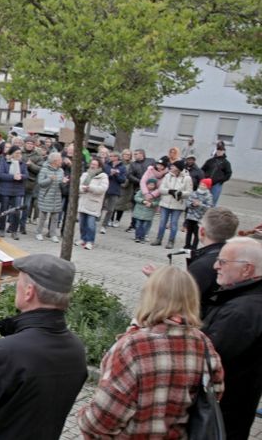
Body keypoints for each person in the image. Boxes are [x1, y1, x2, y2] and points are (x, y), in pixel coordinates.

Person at [0, 254, 88, 440]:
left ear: (29, 292)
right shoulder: (76, 350)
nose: (15, 289)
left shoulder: (9, 351)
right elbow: (27, 383)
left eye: (17, 283)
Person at [77, 266, 224, 438]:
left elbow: (103, 419)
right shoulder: (203, 343)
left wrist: (82, 416)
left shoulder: (134, 346)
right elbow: (215, 393)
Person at [202, 238, 262, 439]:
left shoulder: (240, 312)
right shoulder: (246, 299)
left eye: (223, 261)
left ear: (246, 270)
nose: (215, 266)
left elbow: (207, 359)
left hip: (223, 411)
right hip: (236, 405)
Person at [152, 161, 192, 249]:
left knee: (174, 223)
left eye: (173, 166)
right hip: (165, 203)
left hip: (178, 204)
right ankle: (159, 239)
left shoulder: (187, 178)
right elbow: (161, 189)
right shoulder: (167, 175)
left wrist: (180, 193)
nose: (171, 167)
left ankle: (171, 241)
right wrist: (169, 191)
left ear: (178, 168)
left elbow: (189, 192)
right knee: (162, 222)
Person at [77, 158, 109, 250]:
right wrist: (83, 188)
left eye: (95, 164)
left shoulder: (103, 176)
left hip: (94, 204)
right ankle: (83, 238)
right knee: (82, 223)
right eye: (92, 163)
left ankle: (90, 241)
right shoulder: (85, 174)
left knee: (91, 225)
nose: (93, 165)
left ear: (99, 166)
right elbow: (78, 185)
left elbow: (102, 189)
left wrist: (90, 188)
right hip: (83, 202)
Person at [0, 146, 27, 240]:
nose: (19, 155)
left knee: (16, 211)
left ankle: (14, 231)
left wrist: (21, 176)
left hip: (17, 190)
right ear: (12, 153)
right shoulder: (4, 162)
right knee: (4, 210)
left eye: (20, 153)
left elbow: (26, 175)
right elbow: (0, 174)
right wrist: (13, 177)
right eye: (17, 153)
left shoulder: (22, 164)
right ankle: (1, 228)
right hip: (5, 189)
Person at [35, 152, 65, 242]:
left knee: (55, 217)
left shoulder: (61, 171)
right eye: (60, 159)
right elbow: (40, 183)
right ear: (55, 161)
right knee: (42, 217)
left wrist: (64, 182)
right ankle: (39, 233)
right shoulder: (44, 169)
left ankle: (53, 234)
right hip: (46, 196)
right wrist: (50, 179)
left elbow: (61, 185)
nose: (61, 161)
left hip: (56, 197)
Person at [124, 149, 152, 232]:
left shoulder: (150, 161)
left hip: (149, 188)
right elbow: (129, 175)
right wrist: (140, 181)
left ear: (142, 154)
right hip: (137, 187)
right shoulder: (133, 164)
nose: (134, 155)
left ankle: (143, 227)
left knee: (147, 207)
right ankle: (133, 225)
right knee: (135, 207)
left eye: (136, 154)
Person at [99, 151, 127, 234]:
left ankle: (104, 225)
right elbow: (102, 176)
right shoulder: (107, 165)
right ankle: (96, 219)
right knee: (100, 206)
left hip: (115, 190)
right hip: (105, 188)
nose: (110, 157)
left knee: (110, 209)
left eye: (112, 156)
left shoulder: (122, 167)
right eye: (110, 156)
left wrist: (116, 174)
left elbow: (123, 180)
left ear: (117, 157)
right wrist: (110, 174)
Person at [184, 177, 214, 250]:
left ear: (207, 187)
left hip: (199, 218)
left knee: (196, 233)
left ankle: (194, 247)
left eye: (204, 185)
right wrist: (192, 204)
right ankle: (187, 245)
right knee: (189, 232)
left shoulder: (209, 196)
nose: (201, 186)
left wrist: (200, 204)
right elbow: (187, 202)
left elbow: (209, 207)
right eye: (201, 184)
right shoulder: (194, 193)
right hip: (190, 216)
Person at [131, 178, 161, 244]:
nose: (151, 186)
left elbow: (157, 202)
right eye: (149, 185)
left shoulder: (156, 194)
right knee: (138, 225)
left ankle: (142, 237)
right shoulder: (142, 191)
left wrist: (152, 204)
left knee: (145, 226)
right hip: (139, 210)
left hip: (149, 212)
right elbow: (136, 197)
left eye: (152, 185)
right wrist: (143, 201)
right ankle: (137, 237)